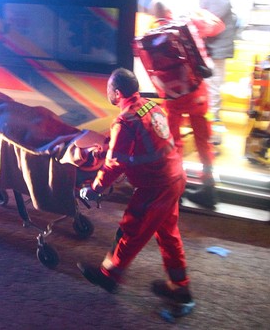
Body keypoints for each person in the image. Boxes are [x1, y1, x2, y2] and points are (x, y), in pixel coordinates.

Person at [77, 68, 195, 317]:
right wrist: (107, 144)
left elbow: (114, 164)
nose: (107, 92)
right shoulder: (150, 106)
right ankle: (180, 288)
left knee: (131, 229)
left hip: (155, 186)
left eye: (108, 89)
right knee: (168, 235)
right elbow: (133, 139)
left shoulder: (125, 121)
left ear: (117, 93)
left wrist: (95, 189)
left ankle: (109, 276)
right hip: (174, 177)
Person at [147, 0, 224, 208]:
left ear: (155, 13)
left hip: (173, 97)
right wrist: (195, 12)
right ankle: (208, 187)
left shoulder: (151, 32)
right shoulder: (188, 24)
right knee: (203, 141)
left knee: (174, 142)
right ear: (171, 9)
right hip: (197, 93)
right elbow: (218, 26)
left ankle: (176, 186)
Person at [191, 0, 237, 134]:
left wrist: (192, 20)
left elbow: (208, 25)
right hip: (213, 50)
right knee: (211, 86)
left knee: (213, 87)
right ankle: (209, 125)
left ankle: (213, 128)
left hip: (217, 50)